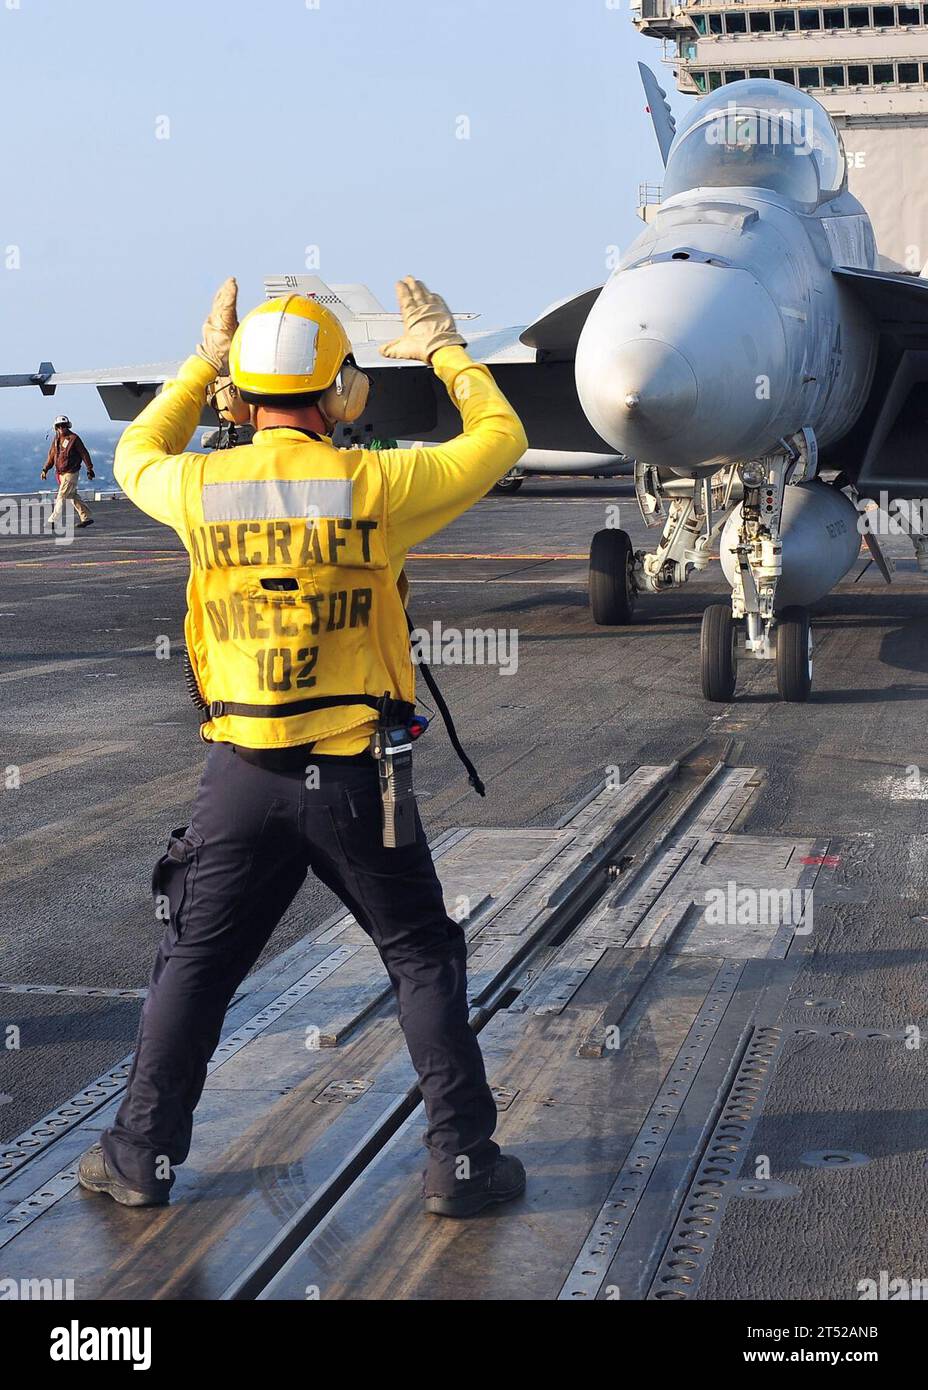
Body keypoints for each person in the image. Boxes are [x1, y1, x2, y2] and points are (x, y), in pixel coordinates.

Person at [76, 276, 529, 1218]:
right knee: (420, 957)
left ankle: (141, 1158)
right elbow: (500, 440)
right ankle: (461, 1164)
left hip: (241, 775)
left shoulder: (198, 486)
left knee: (194, 965)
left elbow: (135, 452)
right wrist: (446, 349)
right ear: (342, 395)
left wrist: (202, 361)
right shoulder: (378, 484)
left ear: (241, 398)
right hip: (358, 777)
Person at [41, 415, 95, 528]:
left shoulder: (74, 438)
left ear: (68, 426)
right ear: (56, 428)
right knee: (72, 495)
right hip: (60, 474)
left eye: (64, 425)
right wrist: (45, 469)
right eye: (59, 426)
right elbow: (51, 456)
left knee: (61, 495)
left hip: (71, 473)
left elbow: (84, 453)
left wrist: (89, 469)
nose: (62, 428)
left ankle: (53, 520)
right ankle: (86, 517)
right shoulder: (56, 440)